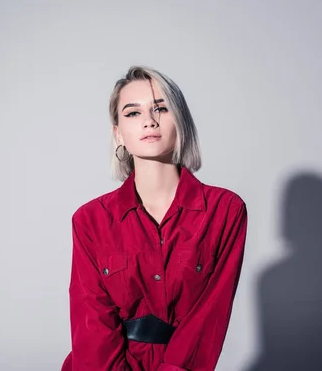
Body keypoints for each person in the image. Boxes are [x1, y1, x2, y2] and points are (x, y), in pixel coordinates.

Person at [61, 66, 248, 371]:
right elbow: (90, 322)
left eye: (161, 108)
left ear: (180, 121)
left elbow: (209, 316)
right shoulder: (90, 219)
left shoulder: (224, 210)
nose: (149, 120)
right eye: (133, 113)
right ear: (118, 133)